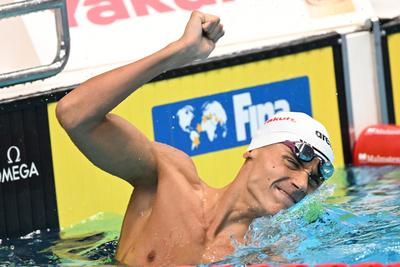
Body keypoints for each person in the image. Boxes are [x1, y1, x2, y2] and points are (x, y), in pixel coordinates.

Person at [55, 11, 334, 266]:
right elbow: (75, 115)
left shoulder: (267, 256)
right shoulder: (169, 179)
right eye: (292, 162)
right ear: (253, 150)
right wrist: (176, 54)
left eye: (313, 181)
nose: (300, 183)